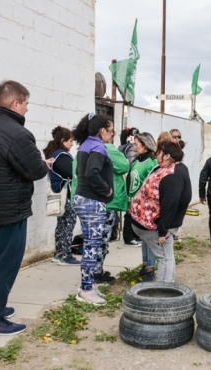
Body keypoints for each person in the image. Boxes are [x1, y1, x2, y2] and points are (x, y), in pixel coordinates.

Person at [0, 80, 50, 336]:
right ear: (15, 103)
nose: (27, 109)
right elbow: (35, 169)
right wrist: (43, 162)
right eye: (26, 104)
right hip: (8, 210)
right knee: (5, 264)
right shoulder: (17, 133)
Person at [130, 141, 192, 282]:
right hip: (147, 223)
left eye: (158, 152)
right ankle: (166, 287)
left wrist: (163, 230)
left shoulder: (172, 175)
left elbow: (171, 203)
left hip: (155, 226)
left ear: (166, 156)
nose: (155, 154)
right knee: (166, 257)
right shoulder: (170, 168)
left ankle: (163, 295)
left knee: (165, 258)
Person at [71, 113, 115, 305]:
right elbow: (92, 173)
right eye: (111, 131)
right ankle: (86, 290)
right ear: (102, 131)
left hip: (83, 199)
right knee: (92, 246)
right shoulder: (97, 147)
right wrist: (106, 190)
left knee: (91, 244)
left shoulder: (85, 145)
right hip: (92, 202)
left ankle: (88, 285)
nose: (112, 135)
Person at [43, 126, 80, 266]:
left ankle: (59, 253)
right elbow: (72, 174)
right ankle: (65, 255)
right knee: (68, 224)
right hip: (67, 196)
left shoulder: (54, 153)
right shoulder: (62, 156)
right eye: (70, 141)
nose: (72, 144)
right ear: (63, 140)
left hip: (59, 195)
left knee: (61, 225)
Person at [97, 132, 130, 283]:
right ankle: (97, 273)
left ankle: (95, 271)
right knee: (102, 239)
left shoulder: (84, 149)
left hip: (93, 201)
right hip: (108, 202)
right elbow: (124, 166)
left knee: (95, 239)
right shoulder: (107, 149)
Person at [128, 133, 158, 281]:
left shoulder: (152, 162)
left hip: (146, 207)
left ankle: (151, 268)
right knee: (143, 238)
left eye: (137, 144)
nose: (135, 147)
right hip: (135, 206)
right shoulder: (137, 161)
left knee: (149, 237)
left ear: (145, 145)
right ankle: (145, 263)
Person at [118, 127, 139, 245]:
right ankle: (129, 236)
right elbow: (132, 164)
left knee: (129, 208)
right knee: (131, 209)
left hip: (124, 180)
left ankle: (130, 235)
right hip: (131, 179)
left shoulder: (121, 147)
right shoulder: (131, 148)